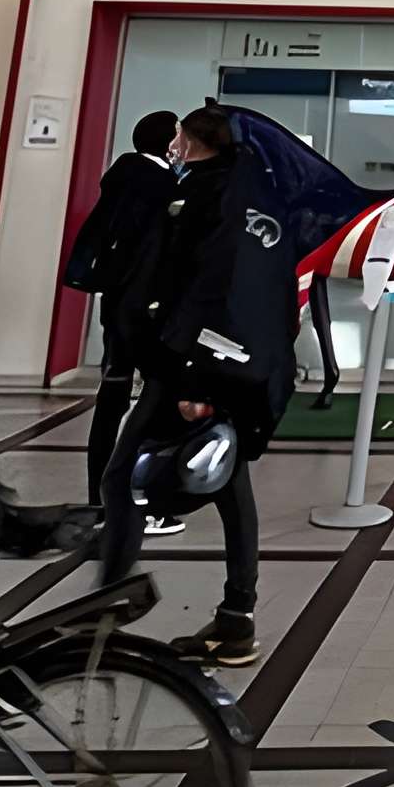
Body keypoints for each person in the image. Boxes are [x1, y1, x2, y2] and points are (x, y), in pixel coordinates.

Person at [97, 106, 285, 666]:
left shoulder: (209, 199)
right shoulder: (250, 197)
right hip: (234, 368)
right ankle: (236, 619)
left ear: (194, 141)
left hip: (192, 367)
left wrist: (194, 375)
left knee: (120, 477)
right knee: (233, 492)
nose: (174, 142)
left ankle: (104, 609)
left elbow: (205, 289)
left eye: (181, 133)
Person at [63, 108, 180, 510]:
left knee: (112, 395)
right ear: (168, 143)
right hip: (146, 309)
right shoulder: (161, 186)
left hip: (116, 305)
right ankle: (140, 491)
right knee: (157, 400)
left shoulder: (121, 178)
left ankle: (98, 491)